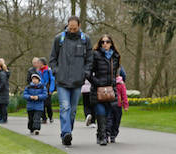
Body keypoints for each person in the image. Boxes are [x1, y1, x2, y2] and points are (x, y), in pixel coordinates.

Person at [49, 16, 93, 145]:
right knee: (65, 107)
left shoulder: (85, 40)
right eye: (70, 27)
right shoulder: (59, 39)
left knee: (72, 110)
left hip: (77, 81)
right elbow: (52, 59)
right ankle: (66, 133)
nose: (72, 30)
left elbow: (89, 60)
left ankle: (67, 132)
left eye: (74, 28)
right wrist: (57, 71)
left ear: (79, 26)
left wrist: (85, 73)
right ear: (67, 25)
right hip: (62, 80)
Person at [90, 34, 121, 145]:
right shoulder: (95, 55)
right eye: (102, 42)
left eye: (107, 42)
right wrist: (97, 82)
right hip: (98, 90)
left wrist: (113, 83)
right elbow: (88, 73)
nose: (105, 44)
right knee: (101, 112)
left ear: (111, 43)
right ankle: (103, 137)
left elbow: (115, 73)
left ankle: (101, 134)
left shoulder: (115, 56)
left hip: (110, 90)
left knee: (108, 113)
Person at [107, 75, 128, 143]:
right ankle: (111, 134)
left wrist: (125, 105)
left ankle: (110, 134)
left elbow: (124, 95)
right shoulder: (119, 84)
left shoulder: (118, 84)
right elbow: (124, 95)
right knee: (113, 121)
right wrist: (125, 105)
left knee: (113, 120)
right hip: (114, 105)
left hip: (114, 105)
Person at [38, 58, 55, 123]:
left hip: (47, 89)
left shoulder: (48, 70)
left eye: (39, 63)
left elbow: (52, 80)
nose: (38, 64)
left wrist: (51, 89)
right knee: (41, 104)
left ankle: (50, 117)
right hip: (41, 89)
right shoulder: (38, 71)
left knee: (48, 104)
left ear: (42, 63)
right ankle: (44, 118)